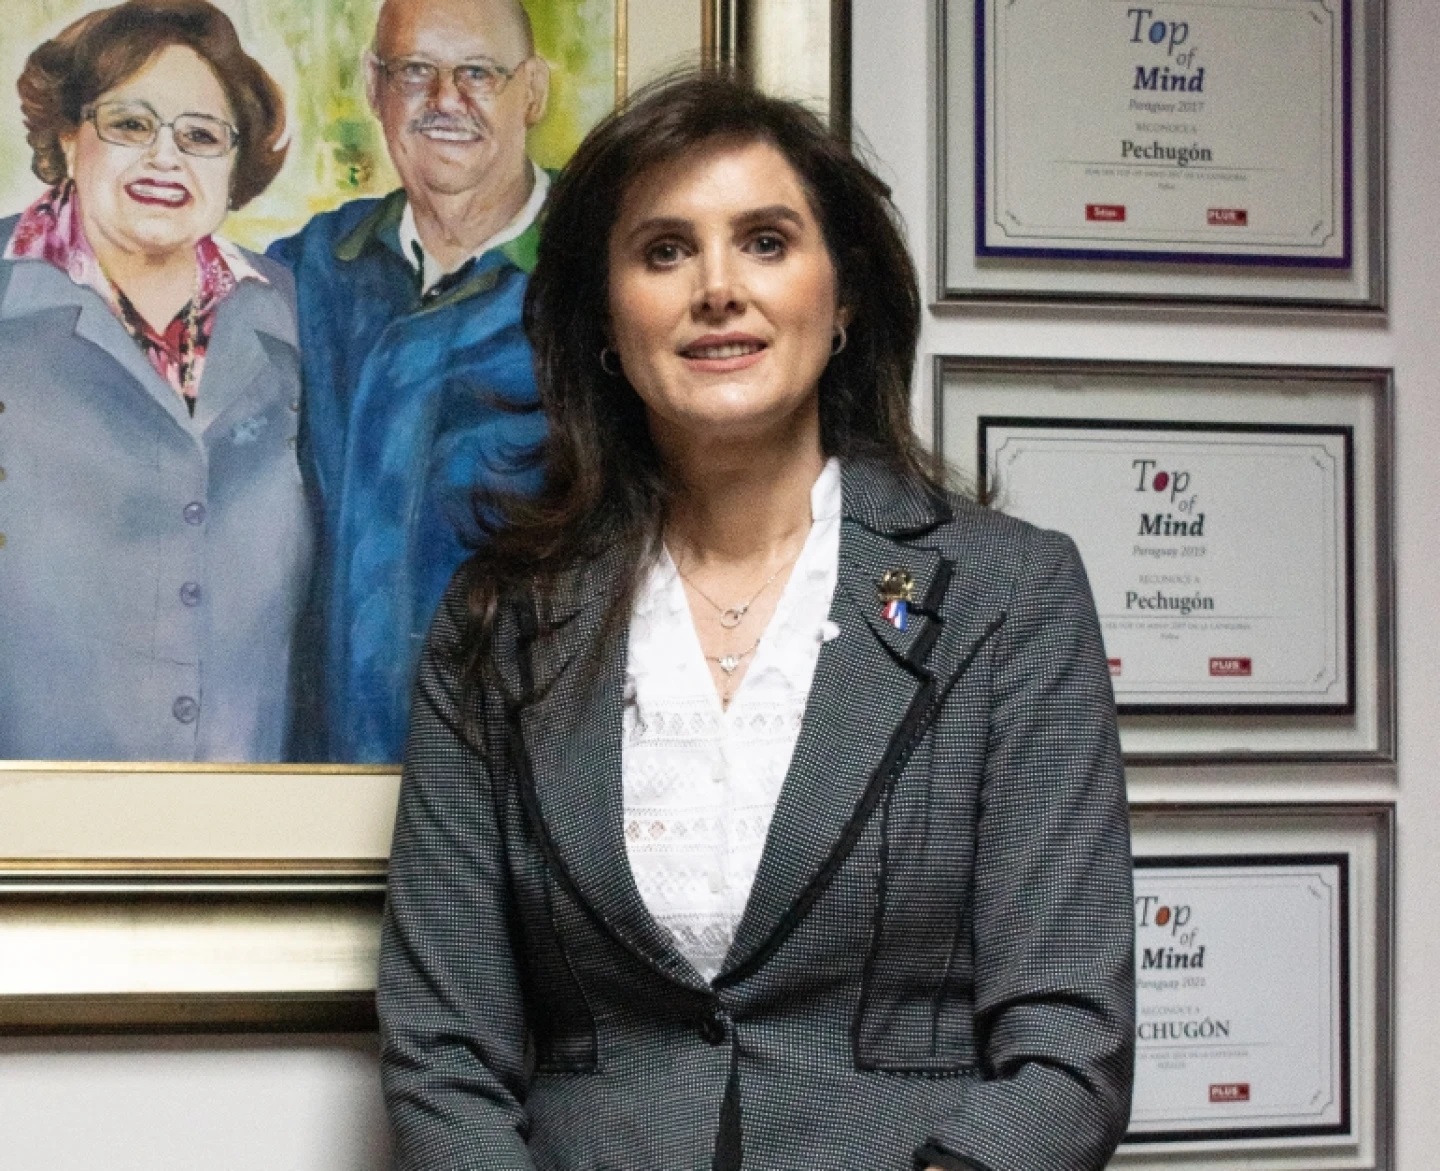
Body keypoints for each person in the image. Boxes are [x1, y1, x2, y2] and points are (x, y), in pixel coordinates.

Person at [379, 73, 1135, 1171]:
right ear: (604, 317)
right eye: (665, 251)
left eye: (766, 242)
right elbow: (442, 1051)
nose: (719, 289)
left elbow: (1069, 1050)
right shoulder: (496, 620)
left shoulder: (1009, 597)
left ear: (844, 296)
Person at [0, 0, 310, 762]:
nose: (165, 159)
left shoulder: (292, 309)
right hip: (33, 811)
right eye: (130, 124)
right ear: (68, 136)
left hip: (248, 813)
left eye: (200, 136)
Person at [266, 0, 551, 763]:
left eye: (478, 73)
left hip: (507, 790)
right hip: (317, 787)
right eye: (416, 71)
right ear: (375, 85)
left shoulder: (602, 276)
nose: (446, 99)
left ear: (532, 91)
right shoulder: (309, 267)